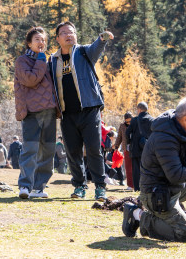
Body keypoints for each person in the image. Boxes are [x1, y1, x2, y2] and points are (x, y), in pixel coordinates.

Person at [121, 96, 186, 241]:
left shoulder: (182, 126)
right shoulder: (164, 138)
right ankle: (138, 216)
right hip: (157, 194)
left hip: (174, 187)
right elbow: (176, 175)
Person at [49, 21, 114, 201]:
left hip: (89, 109)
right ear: (57, 38)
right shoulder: (52, 60)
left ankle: (100, 187)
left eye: (72, 32)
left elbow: (97, 47)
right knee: (72, 151)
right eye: (64, 33)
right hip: (66, 113)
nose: (69, 35)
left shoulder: (84, 52)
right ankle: (79, 186)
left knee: (94, 149)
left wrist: (102, 38)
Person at [14, 26, 58, 199]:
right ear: (29, 43)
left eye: (43, 40)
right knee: (30, 149)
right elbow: (31, 80)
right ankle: (25, 186)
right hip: (31, 112)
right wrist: (41, 59)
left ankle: (38, 188)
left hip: (49, 111)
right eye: (37, 39)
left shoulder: (49, 61)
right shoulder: (22, 61)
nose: (41, 43)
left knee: (48, 150)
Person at [127, 102, 153, 192]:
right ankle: (147, 187)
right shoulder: (152, 120)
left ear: (139, 109)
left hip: (136, 149)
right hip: (148, 149)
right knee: (148, 168)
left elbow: (127, 133)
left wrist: (129, 142)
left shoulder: (134, 120)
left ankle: (137, 188)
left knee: (136, 169)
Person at [114, 112, 132, 190]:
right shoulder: (122, 126)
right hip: (126, 148)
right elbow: (119, 137)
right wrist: (116, 146)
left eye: (130, 121)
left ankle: (137, 184)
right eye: (127, 121)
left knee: (135, 167)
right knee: (128, 168)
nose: (128, 123)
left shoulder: (136, 124)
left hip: (135, 148)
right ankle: (130, 185)